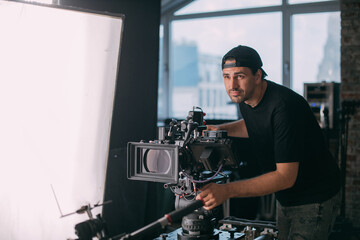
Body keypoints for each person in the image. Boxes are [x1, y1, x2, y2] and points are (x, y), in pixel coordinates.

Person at [195, 45, 341, 240]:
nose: (232, 85)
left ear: (258, 75)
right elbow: (257, 124)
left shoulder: (284, 107)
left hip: (314, 198)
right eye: (227, 77)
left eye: (240, 76)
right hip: (286, 196)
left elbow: (285, 177)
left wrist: (226, 191)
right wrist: (222, 129)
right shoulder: (247, 98)